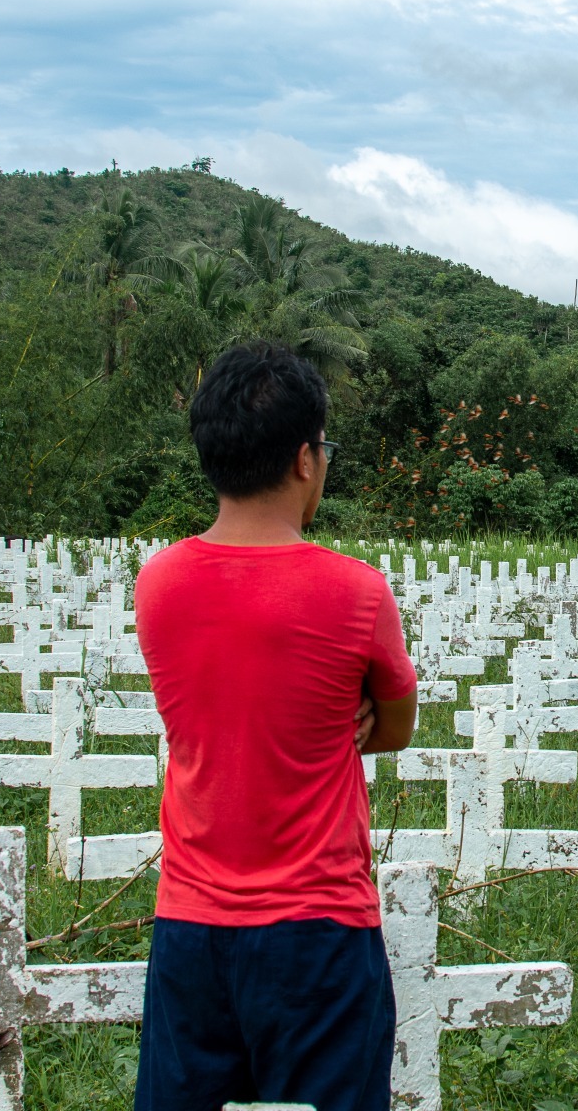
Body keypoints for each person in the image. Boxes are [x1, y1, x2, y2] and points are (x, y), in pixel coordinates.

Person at [133, 340, 417, 1111]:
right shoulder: (356, 594)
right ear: (304, 459)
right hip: (320, 928)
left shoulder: (157, 584)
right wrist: (348, 714)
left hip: (190, 925)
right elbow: (394, 726)